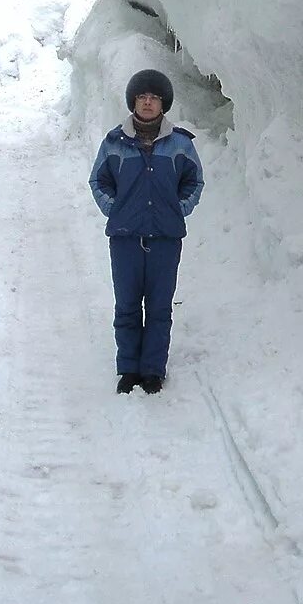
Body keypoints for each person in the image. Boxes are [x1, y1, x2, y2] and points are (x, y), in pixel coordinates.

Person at [89, 69, 204, 394]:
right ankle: (128, 369)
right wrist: (117, 209)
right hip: (125, 239)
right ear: (133, 102)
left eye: (154, 97)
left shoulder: (180, 143)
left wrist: (177, 209)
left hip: (166, 240)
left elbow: (194, 181)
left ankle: (153, 370)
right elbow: (98, 180)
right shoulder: (114, 142)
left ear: (163, 103)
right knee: (126, 306)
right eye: (142, 97)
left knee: (159, 307)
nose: (148, 102)